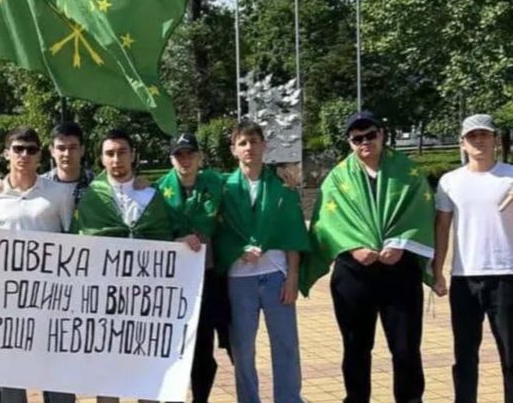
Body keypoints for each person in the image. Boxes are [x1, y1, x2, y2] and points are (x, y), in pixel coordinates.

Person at [301, 111, 435, 403]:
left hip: (399, 269)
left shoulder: (407, 171)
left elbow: (421, 211)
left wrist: (401, 243)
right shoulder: (337, 178)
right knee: (356, 346)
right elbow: (326, 222)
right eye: (356, 138)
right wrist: (353, 247)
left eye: (370, 135)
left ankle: (411, 400)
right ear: (349, 143)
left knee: (405, 347)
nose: (364, 142)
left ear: (382, 134)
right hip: (354, 272)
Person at [71, 128, 202, 403]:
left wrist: (180, 243)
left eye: (122, 152)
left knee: (148, 371)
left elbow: (166, 234)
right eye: (109, 153)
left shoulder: (152, 196)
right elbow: (78, 242)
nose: (116, 159)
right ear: (101, 158)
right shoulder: (92, 197)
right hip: (106, 301)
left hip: (147, 301)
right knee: (107, 372)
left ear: (133, 155)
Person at [0, 127, 75, 403]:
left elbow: (73, 241)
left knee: (57, 378)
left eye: (31, 149)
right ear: (6, 153)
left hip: (52, 300)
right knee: (11, 382)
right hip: (5, 301)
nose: (24, 155)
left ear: (40, 155)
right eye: (18, 148)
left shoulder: (59, 194)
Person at [214, 121, 309, 403]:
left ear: (264, 145)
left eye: (254, 141)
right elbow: (218, 230)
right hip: (239, 278)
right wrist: (238, 249)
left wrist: (293, 277)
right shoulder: (224, 187)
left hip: (277, 275)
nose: (249, 148)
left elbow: (293, 232)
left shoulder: (282, 186)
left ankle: (289, 399)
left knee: (286, 344)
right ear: (233, 149)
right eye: (242, 143)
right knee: (242, 349)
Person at [433, 114, 513, 403]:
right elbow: (442, 228)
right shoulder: (450, 181)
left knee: (511, 356)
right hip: (465, 278)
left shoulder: (510, 176)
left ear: (495, 140)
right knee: (465, 356)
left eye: (484, 135)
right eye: (472, 136)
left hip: (506, 275)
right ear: (462, 143)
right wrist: (437, 271)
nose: (479, 141)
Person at [156, 132, 228, 403]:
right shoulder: (157, 192)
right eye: (179, 155)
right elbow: (150, 233)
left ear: (199, 157)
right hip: (172, 283)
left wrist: (281, 175)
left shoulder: (217, 183)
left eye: (190, 154)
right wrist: (175, 240)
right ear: (171, 159)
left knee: (203, 350)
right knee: (171, 348)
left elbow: (247, 178)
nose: (185, 160)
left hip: (207, 278)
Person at [41, 122, 94, 204]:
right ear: (52, 151)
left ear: (82, 150)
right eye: (61, 148)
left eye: (72, 148)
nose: (67, 154)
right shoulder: (40, 186)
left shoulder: (96, 184)